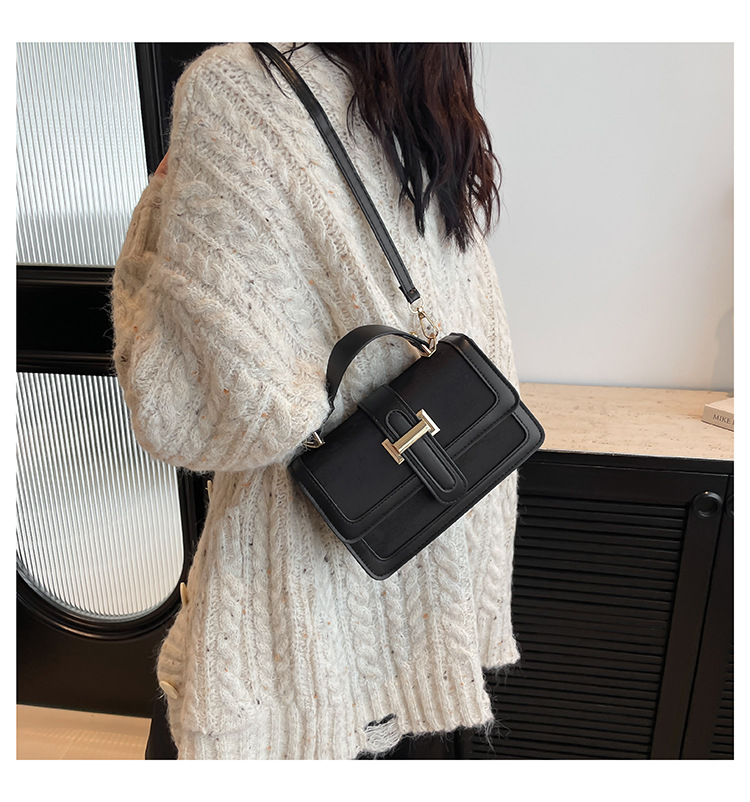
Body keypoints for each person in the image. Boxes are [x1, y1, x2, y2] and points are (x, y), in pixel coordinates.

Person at [111, 42, 522, 760]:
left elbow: (195, 410)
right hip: (440, 559)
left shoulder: (235, 88)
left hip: (306, 604)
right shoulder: (428, 87)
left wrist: (156, 214)